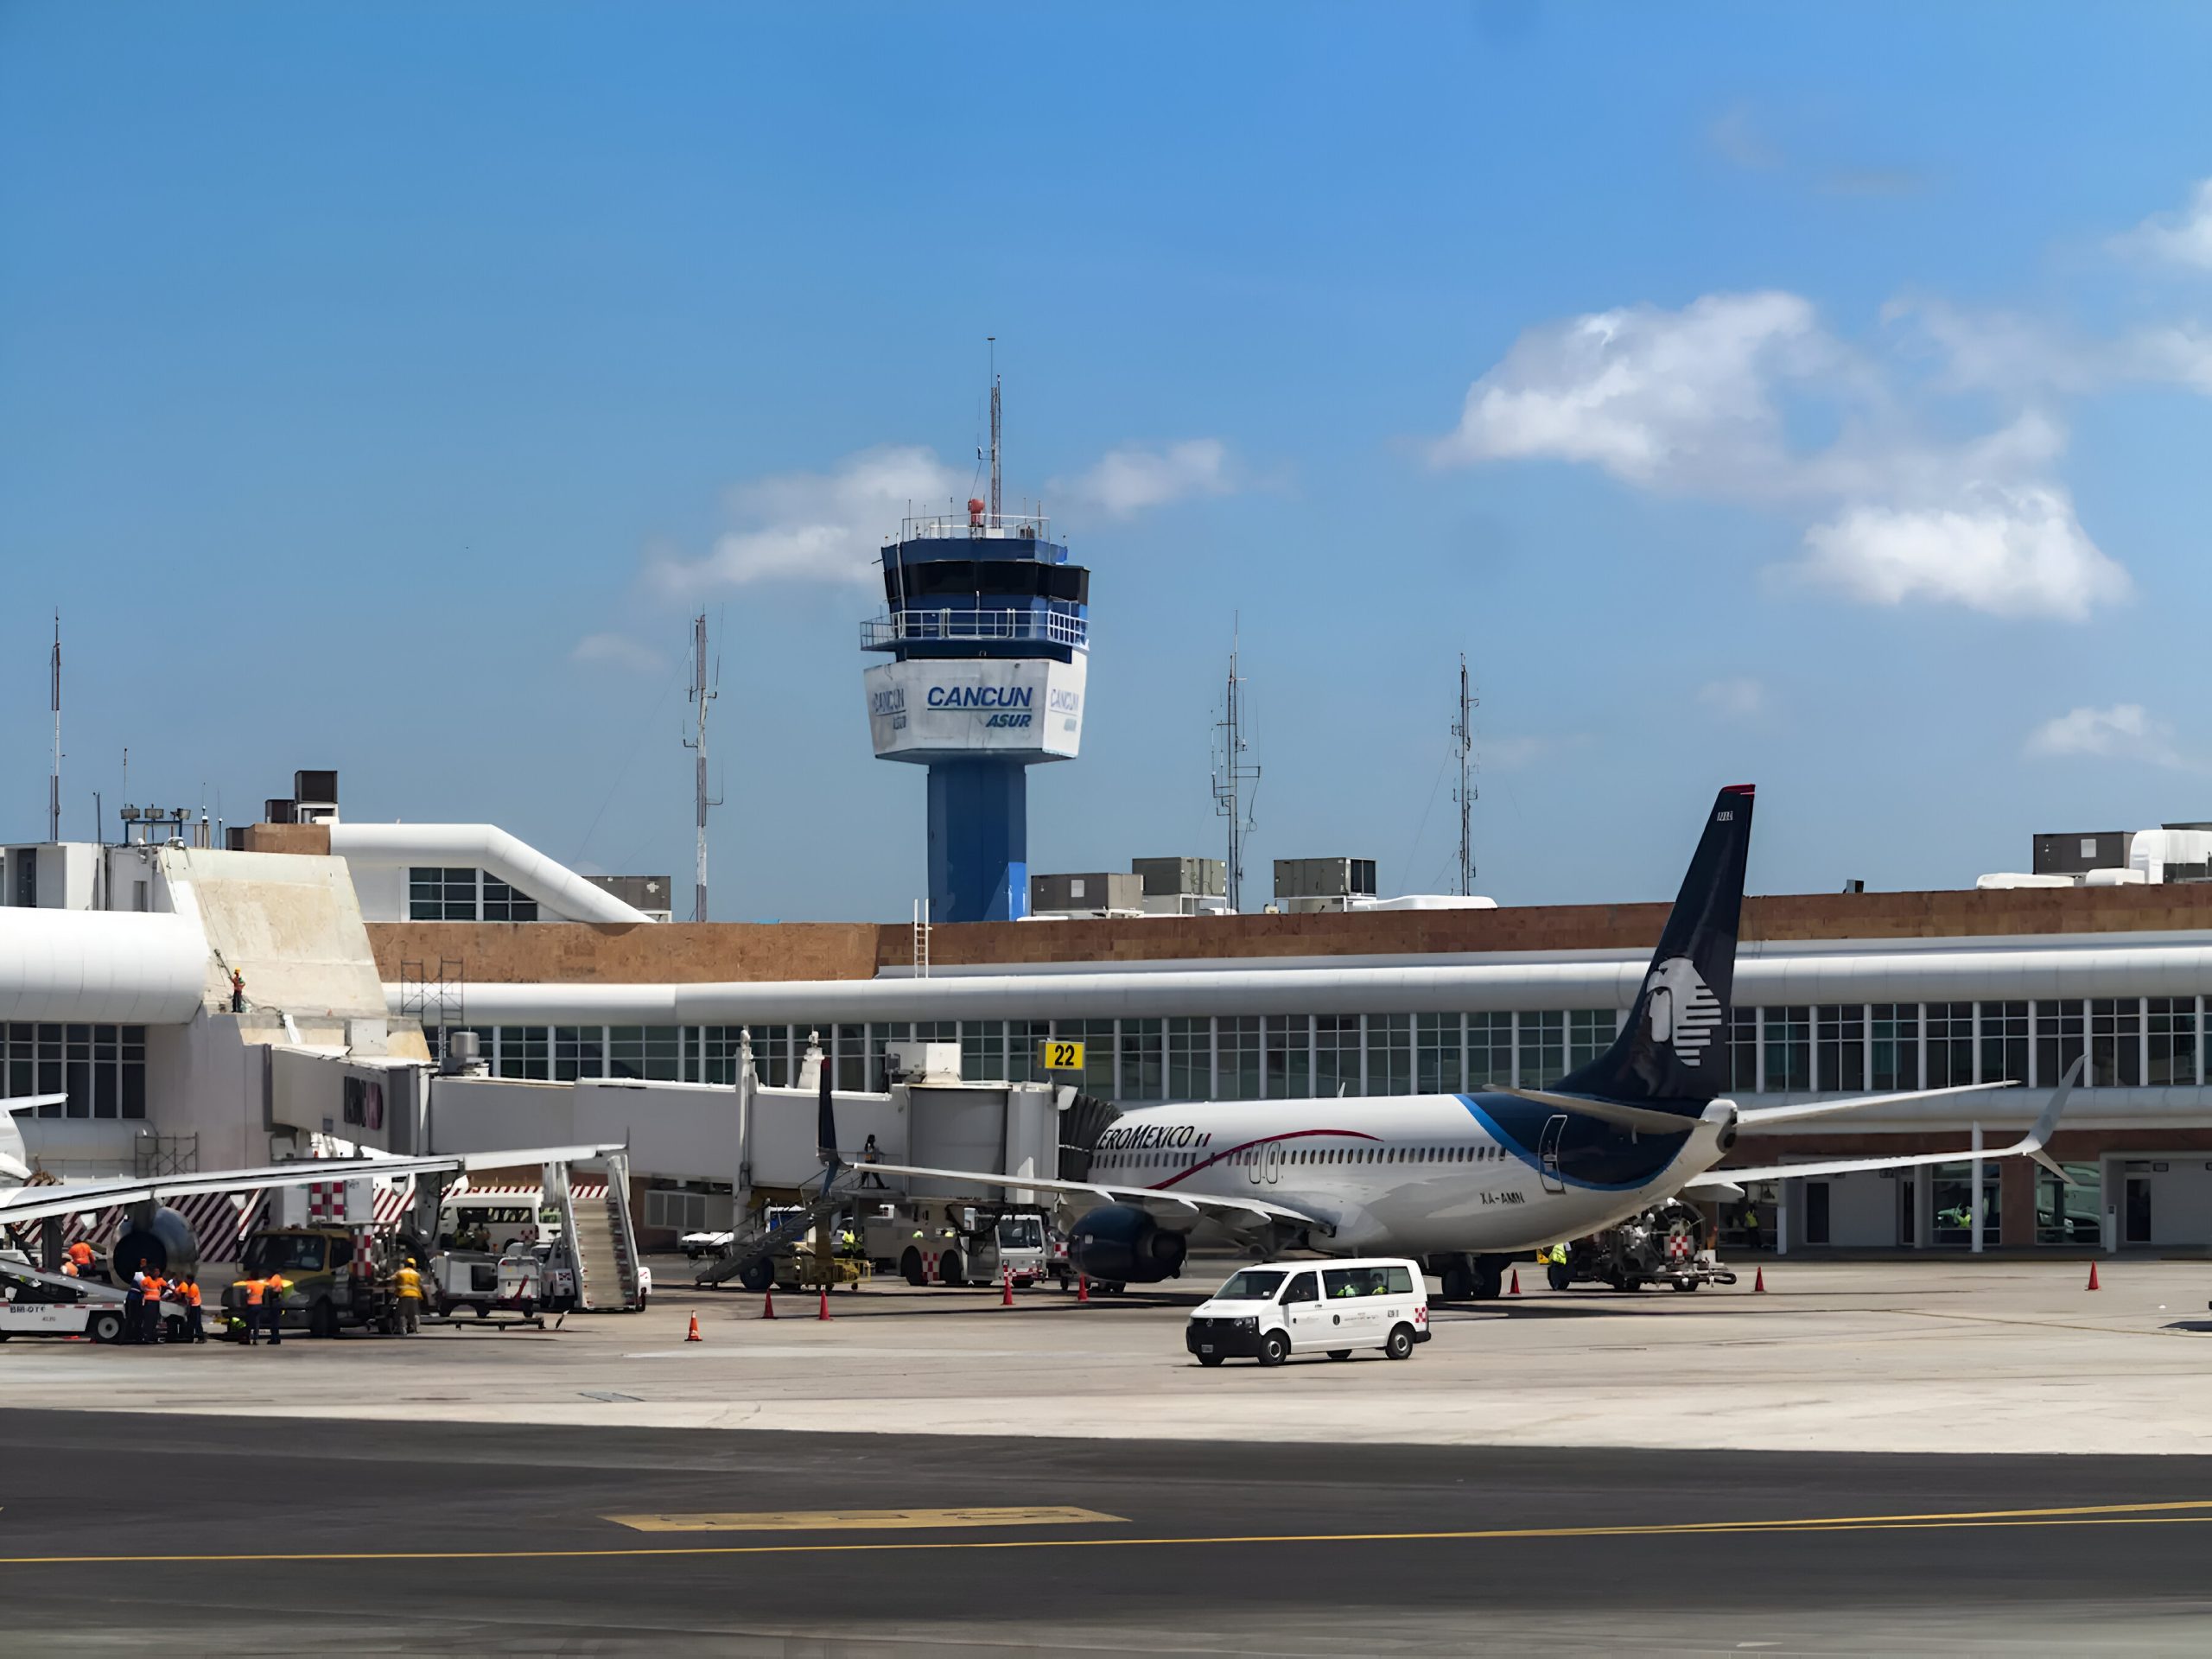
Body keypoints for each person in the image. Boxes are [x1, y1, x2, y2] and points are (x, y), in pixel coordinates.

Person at [393, 1257, 426, 1334]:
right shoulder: (417, 1274)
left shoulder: (400, 1272)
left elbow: (392, 1279)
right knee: (415, 1313)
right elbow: (421, 1285)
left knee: (402, 1314)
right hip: (415, 1297)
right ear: (414, 1265)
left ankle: (403, 1331)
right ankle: (417, 1329)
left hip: (404, 1295)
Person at [140, 1268, 168, 1343]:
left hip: (156, 1302)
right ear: (152, 1272)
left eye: (159, 1271)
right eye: (156, 1271)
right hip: (149, 1302)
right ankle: (146, 1337)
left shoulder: (160, 1280)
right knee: (149, 1320)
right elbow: (142, 1285)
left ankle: (152, 1336)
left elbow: (166, 1286)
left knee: (154, 1320)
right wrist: (144, 1290)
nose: (158, 1273)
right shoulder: (148, 1279)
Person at [236, 1274, 265, 1345]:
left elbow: (248, 1293)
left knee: (249, 1323)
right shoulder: (261, 1284)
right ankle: (256, 1339)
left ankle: (247, 1338)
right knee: (256, 1323)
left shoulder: (251, 1284)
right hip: (259, 1304)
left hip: (251, 1305)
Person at [262, 1271, 289, 1344]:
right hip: (278, 1301)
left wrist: (265, 1285)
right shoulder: (278, 1277)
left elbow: (271, 1287)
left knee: (274, 1323)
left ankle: (274, 1339)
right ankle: (277, 1339)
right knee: (276, 1322)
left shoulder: (275, 1278)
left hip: (275, 1302)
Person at [124, 1268, 146, 1344]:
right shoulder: (140, 1278)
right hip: (135, 1299)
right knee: (136, 1319)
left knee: (131, 1318)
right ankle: (135, 1337)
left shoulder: (136, 1277)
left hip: (132, 1298)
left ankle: (128, 1336)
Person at [181, 1274, 206, 1344]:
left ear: (190, 1280)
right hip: (193, 1306)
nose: (185, 1281)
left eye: (186, 1279)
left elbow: (190, 1298)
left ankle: (200, 1337)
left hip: (195, 1306)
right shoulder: (189, 1286)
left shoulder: (193, 1287)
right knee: (191, 1322)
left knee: (196, 1322)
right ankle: (190, 1337)